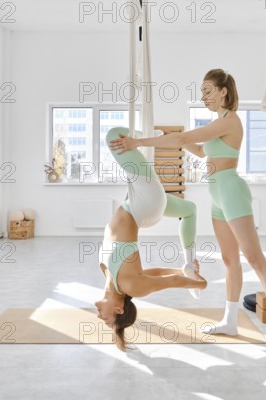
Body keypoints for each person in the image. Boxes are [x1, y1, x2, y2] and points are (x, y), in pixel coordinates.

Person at [109, 69, 266, 367]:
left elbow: (187, 137)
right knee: (230, 261)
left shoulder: (230, 120)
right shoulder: (217, 124)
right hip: (217, 194)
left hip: (231, 190)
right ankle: (230, 321)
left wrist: (139, 143)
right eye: (201, 91)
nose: (203, 96)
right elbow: (196, 148)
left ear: (224, 91)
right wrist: (170, 139)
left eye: (208, 90)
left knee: (256, 259)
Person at [96, 127, 207, 351]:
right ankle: (149, 132)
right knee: (114, 137)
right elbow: (169, 282)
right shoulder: (132, 287)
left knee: (189, 210)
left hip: (137, 205)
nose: (100, 318)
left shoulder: (113, 280)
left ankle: (187, 262)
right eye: (107, 321)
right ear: (119, 310)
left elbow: (154, 272)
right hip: (143, 206)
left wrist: (180, 270)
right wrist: (200, 283)